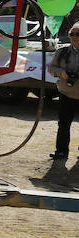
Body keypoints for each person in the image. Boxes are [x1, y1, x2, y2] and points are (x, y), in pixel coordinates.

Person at [46, 22, 79, 160]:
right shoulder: (62, 51)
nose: (74, 37)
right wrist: (62, 73)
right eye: (72, 34)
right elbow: (51, 68)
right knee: (64, 124)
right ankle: (61, 151)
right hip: (66, 93)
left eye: (78, 34)